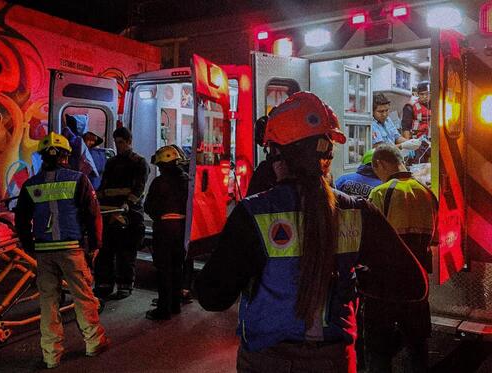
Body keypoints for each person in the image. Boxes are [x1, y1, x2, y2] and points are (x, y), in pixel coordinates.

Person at [194, 92, 428, 373]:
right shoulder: (358, 211)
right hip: (335, 361)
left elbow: (212, 297)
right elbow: (414, 284)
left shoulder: (253, 213)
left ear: (278, 155)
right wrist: (351, 283)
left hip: (266, 360)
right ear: (326, 157)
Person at [15, 132, 109, 369]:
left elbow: (21, 221)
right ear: (66, 156)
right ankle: (94, 341)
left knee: (49, 302)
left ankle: (51, 354)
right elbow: (92, 215)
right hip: (71, 249)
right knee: (83, 296)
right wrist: (95, 245)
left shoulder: (30, 185)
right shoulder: (79, 180)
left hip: (44, 251)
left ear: (42, 157)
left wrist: (31, 247)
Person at [365, 143, 438, 373]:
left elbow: (369, 238)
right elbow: (435, 238)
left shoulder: (380, 192)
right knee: (417, 347)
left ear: (380, 164)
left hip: (384, 286)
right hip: (417, 284)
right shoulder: (427, 193)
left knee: (378, 350)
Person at [94, 127, 150, 300]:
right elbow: (103, 187)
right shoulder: (111, 163)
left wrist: (127, 204)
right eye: (116, 142)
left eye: (121, 142)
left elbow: (139, 189)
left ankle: (125, 285)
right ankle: (104, 284)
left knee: (126, 253)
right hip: (109, 211)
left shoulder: (139, 162)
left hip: (129, 213)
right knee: (106, 251)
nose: (118, 146)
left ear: (129, 142)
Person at [144, 145, 190, 320]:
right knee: (178, 267)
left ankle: (163, 309)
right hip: (182, 229)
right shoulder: (187, 180)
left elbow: (148, 207)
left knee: (164, 269)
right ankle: (175, 304)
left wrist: (159, 216)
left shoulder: (159, 182)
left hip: (164, 229)